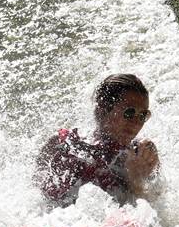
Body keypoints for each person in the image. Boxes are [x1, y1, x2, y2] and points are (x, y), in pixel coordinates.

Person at [34, 73, 160, 207]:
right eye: (129, 113)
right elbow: (36, 197)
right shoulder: (63, 143)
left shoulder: (142, 156)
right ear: (103, 110)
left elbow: (154, 211)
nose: (136, 123)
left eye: (143, 115)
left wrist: (136, 180)